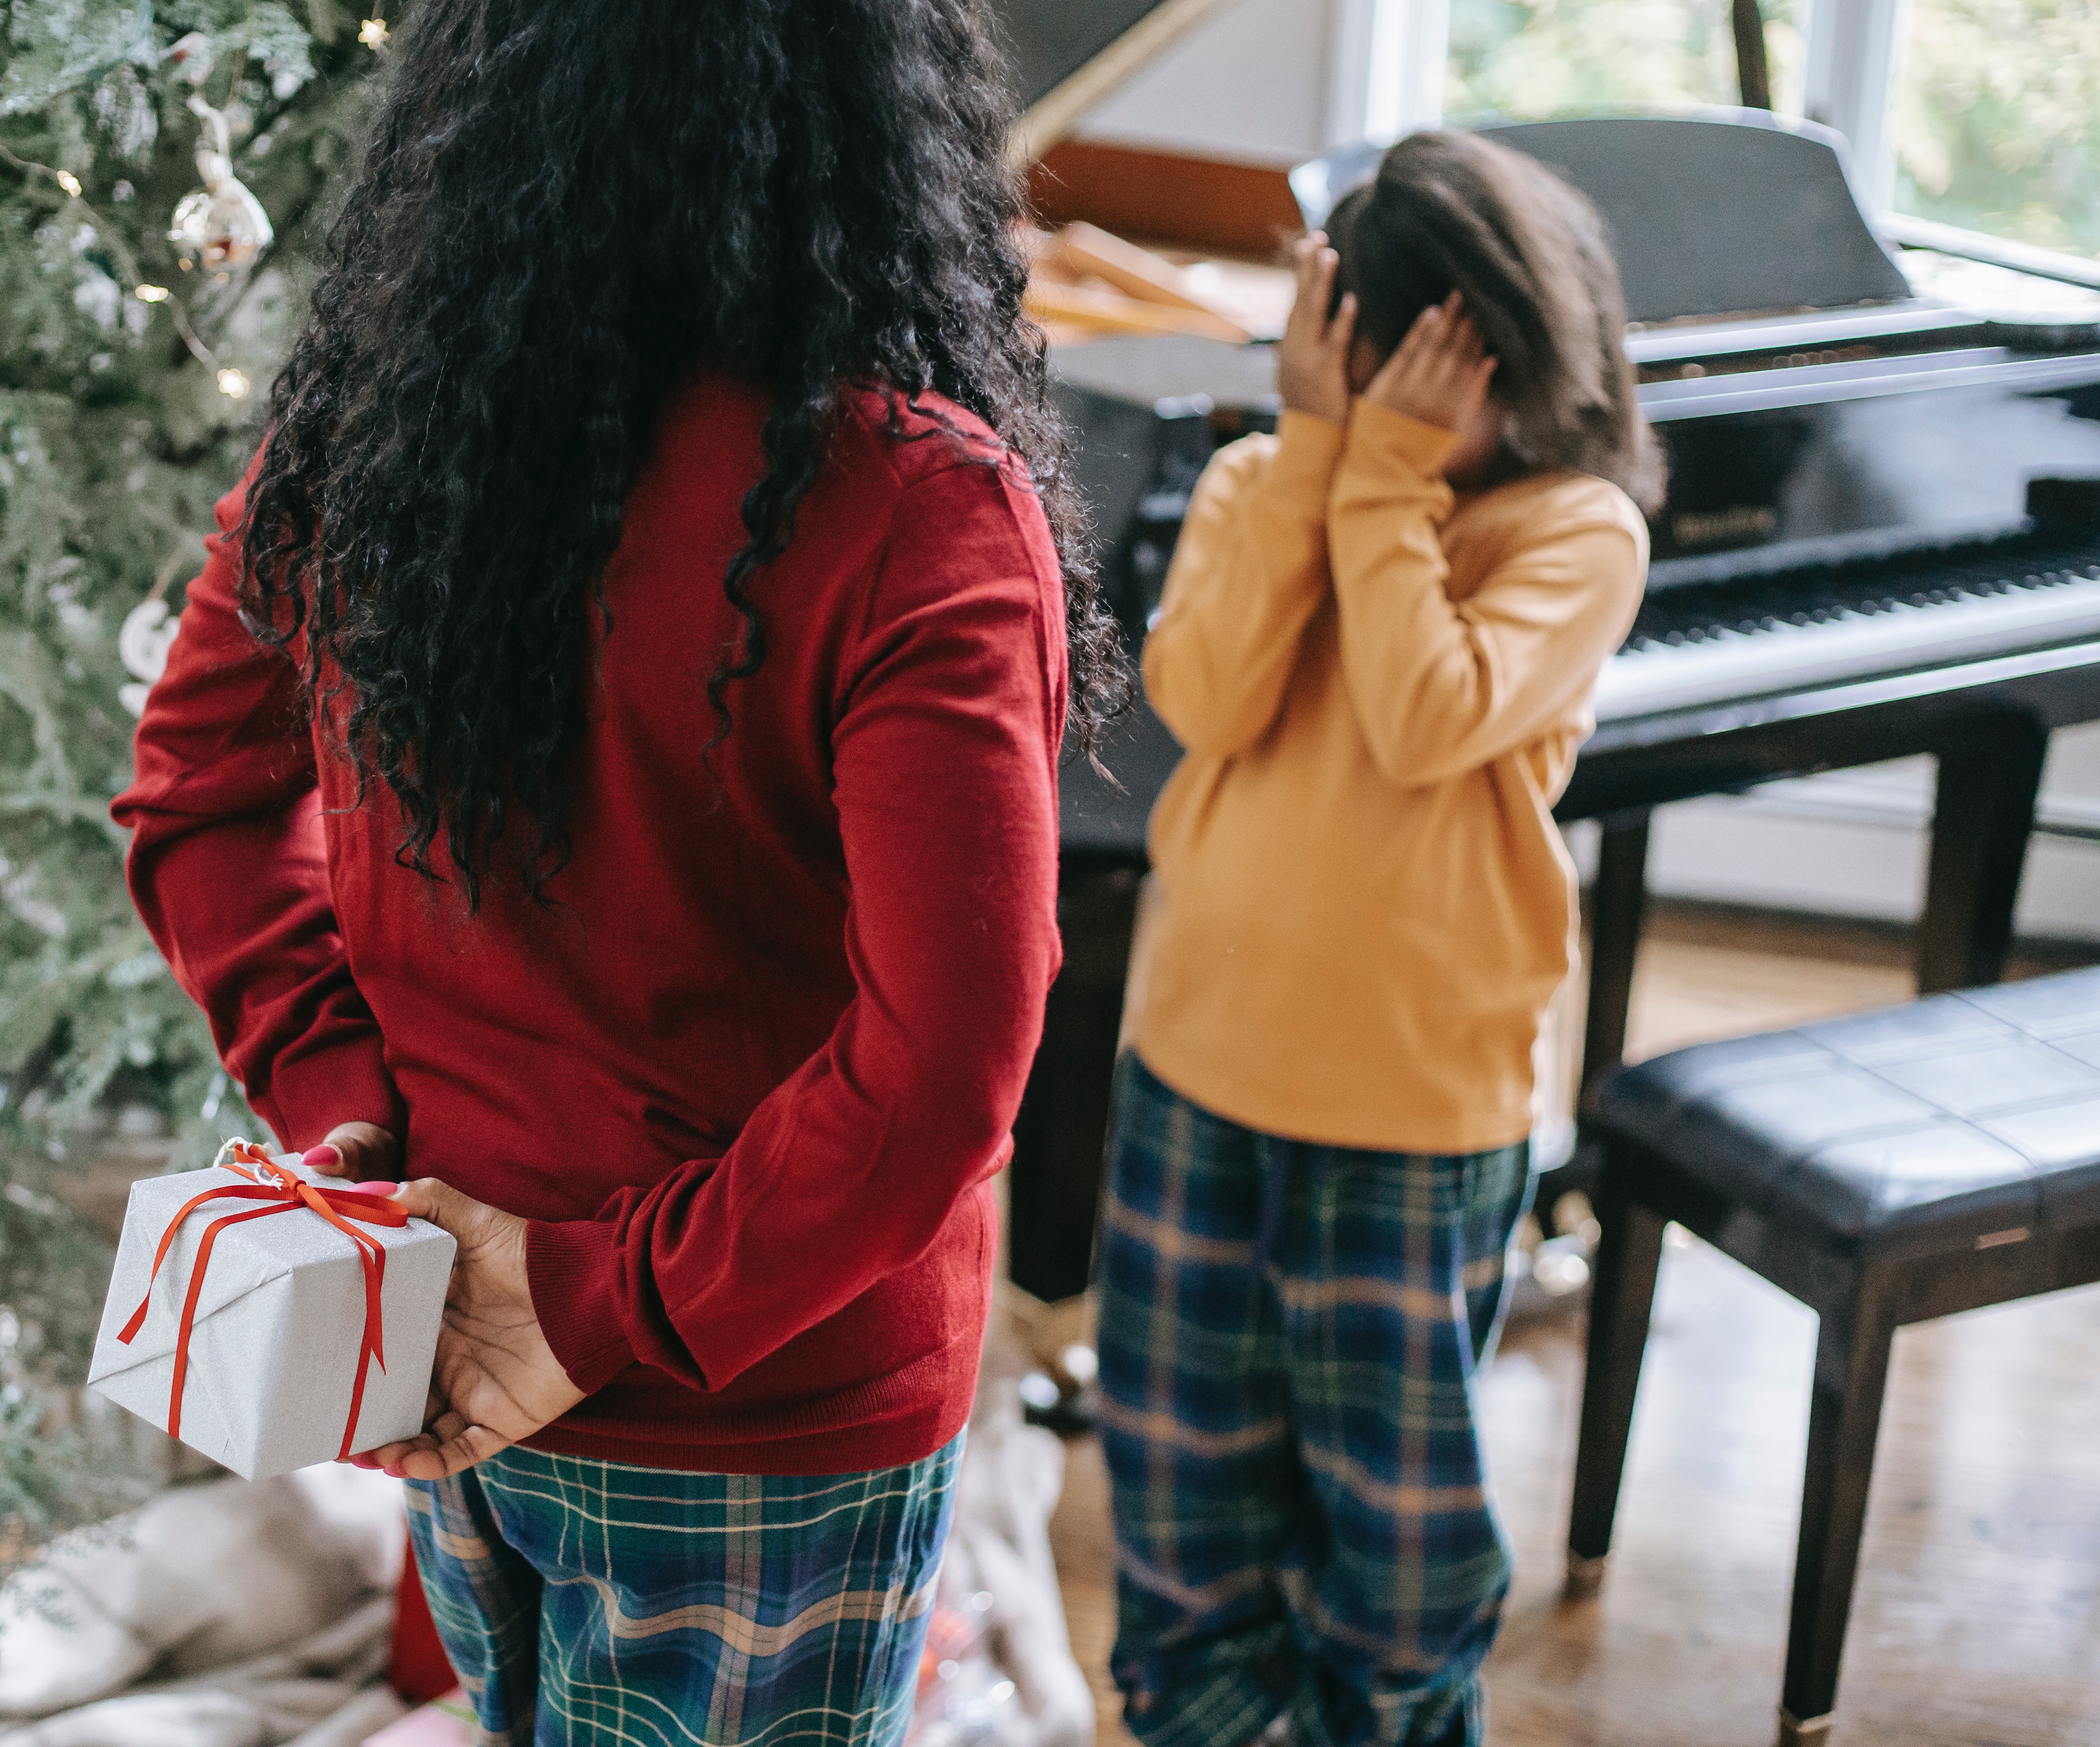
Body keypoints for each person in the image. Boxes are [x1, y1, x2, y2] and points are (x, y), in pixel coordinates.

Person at [109, 2, 1128, 1740]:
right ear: (877, 113)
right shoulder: (917, 506)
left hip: (443, 1327)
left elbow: (192, 797)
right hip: (752, 1396)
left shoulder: (376, 441)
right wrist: (585, 1296)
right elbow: (947, 1060)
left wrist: (352, 1116)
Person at [1094, 128, 1661, 1747]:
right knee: (1185, 1515)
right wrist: (1322, 457)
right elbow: (1202, 699)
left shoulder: (1575, 535)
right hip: (1192, 1075)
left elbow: (1425, 719)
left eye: (1433, 366)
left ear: (1513, 354)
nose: (1395, 395)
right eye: (1368, 357)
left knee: (1398, 1561)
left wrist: (1392, 473)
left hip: (1412, 1117)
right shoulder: (1264, 480)